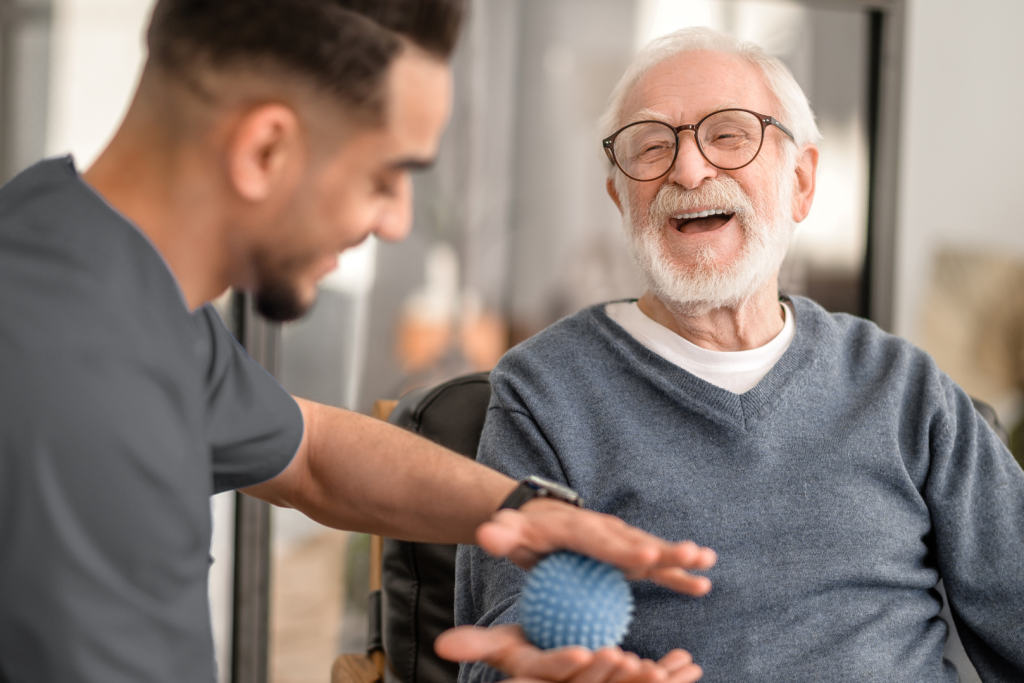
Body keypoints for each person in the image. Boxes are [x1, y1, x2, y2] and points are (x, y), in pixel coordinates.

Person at [0, 3, 719, 682]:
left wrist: (526, 512)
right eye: (388, 176)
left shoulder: (83, 255)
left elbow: (311, 453)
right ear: (266, 149)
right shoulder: (82, 394)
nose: (399, 222)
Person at [456, 26, 1024, 683]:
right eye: (651, 146)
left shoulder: (904, 387)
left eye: (728, 135)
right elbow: (500, 654)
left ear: (802, 181)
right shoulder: (544, 391)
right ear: (621, 199)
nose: (689, 170)